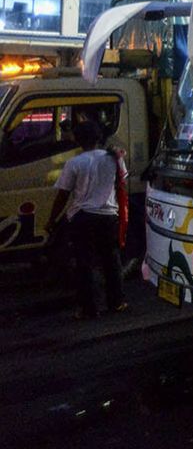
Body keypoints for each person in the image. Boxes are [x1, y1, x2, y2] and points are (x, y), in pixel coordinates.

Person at [45, 120, 127, 319]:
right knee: (111, 260)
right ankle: (117, 302)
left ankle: (89, 309)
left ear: (78, 140)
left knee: (84, 263)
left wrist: (51, 219)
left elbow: (63, 195)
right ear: (99, 138)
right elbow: (121, 183)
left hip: (83, 218)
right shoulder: (114, 159)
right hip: (108, 216)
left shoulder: (75, 163)